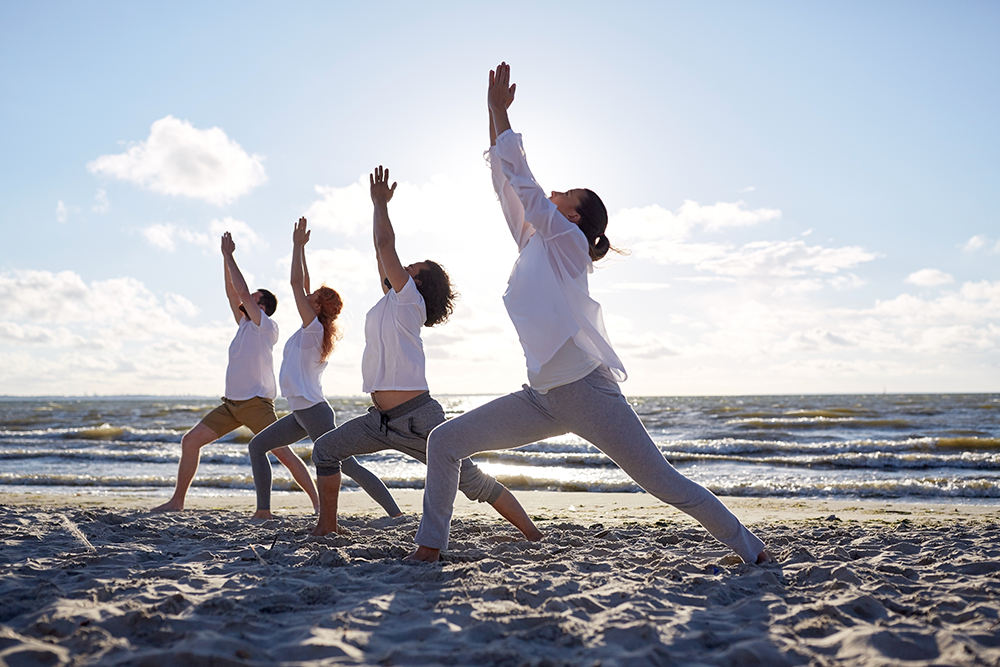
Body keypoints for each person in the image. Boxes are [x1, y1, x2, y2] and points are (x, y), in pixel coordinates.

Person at [407, 62, 770, 564]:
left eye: (565, 196)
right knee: (445, 441)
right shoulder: (534, 240)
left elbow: (528, 187)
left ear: (574, 216)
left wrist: (500, 111)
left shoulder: (569, 243)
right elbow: (506, 184)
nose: (554, 195)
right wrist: (492, 116)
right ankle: (429, 551)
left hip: (585, 390)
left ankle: (752, 550)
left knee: (661, 481)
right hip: (539, 396)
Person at [309, 165, 542, 541]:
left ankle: (533, 534)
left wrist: (381, 204)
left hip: (418, 420)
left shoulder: (409, 300)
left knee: (473, 481)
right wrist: (375, 208)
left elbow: (386, 247)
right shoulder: (391, 299)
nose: (402, 265)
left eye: (411, 265)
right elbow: (379, 249)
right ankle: (327, 527)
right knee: (325, 450)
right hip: (379, 421)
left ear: (417, 281)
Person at [151, 232, 319, 513]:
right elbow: (233, 292)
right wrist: (223, 258)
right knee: (190, 441)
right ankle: (177, 501)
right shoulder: (243, 325)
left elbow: (241, 292)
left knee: (284, 454)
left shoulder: (266, 327)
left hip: (256, 404)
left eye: (254, 297)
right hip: (230, 405)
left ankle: (318, 504)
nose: (247, 297)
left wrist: (231, 255)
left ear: (262, 306)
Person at [247, 218, 401, 521]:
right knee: (257, 447)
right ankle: (263, 511)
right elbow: (302, 284)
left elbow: (295, 285)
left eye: (313, 297)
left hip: (314, 412)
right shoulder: (313, 327)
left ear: (317, 307)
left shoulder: (313, 329)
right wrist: (303, 249)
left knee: (349, 465)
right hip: (302, 413)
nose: (307, 295)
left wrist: (294, 246)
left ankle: (395, 514)